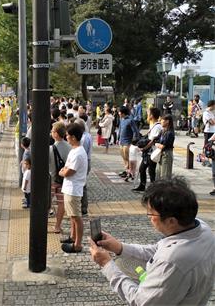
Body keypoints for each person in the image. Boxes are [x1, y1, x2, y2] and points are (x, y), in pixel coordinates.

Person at [89, 177, 215, 306]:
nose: (149, 218)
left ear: (171, 221)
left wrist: (106, 264)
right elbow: (156, 250)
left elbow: (140, 301)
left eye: (151, 214)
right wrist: (120, 247)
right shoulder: (203, 230)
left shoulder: (172, 261)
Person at [58, 123, 88, 253]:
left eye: (68, 136)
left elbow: (68, 171)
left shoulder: (78, 153)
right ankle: (72, 236)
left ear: (74, 137)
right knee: (72, 216)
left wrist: (62, 172)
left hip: (73, 188)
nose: (66, 137)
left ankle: (78, 244)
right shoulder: (74, 150)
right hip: (69, 187)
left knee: (76, 216)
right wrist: (63, 171)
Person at [49, 122, 71, 234]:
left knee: (47, 203)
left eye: (52, 131)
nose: (51, 133)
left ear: (56, 134)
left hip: (52, 180)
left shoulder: (51, 149)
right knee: (61, 203)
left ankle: (44, 225)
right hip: (65, 180)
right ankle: (58, 226)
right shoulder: (70, 147)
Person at [133, 107, 162, 192]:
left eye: (148, 113)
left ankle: (153, 188)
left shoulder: (157, 126)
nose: (147, 115)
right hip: (148, 152)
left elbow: (152, 141)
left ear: (152, 115)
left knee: (151, 170)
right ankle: (142, 186)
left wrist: (144, 148)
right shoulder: (152, 124)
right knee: (142, 169)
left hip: (152, 152)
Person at [117, 106, 139, 178]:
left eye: (119, 112)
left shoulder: (130, 120)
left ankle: (130, 172)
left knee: (128, 158)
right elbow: (120, 130)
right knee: (124, 158)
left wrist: (133, 141)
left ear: (123, 113)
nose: (118, 113)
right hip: (121, 142)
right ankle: (127, 171)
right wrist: (118, 139)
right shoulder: (122, 120)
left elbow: (135, 131)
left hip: (127, 142)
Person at [156, 114, 175, 180]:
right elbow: (156, 141)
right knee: (159, 174)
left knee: (165, 175)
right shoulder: (163, 131)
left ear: (167, 121)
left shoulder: (169, 133)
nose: (160, 121)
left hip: (166, 154)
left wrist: (157, 145)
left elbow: (162, 146)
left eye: (162, 120)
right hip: (161, 154)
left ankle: (166, 189)